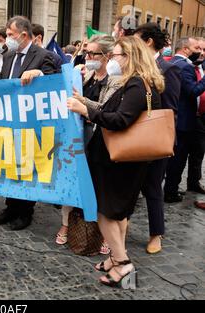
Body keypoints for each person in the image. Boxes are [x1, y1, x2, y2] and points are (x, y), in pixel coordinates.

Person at [67, 36, 165, 288]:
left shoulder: (135, 84)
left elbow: (120, 120)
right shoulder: (135, 83)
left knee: (106, 213)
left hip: (118, 162)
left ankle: (123, 264)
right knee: (117, 213)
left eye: (116, 55)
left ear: (130, 57)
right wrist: (86, 102)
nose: (112, 60)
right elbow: (110, 109)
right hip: (120, 160)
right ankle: (114, 258)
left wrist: (85, 111)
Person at [55, 35, 121, 256]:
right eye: (87, 53)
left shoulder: (116, 80)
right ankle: (66, 223)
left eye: (93, 53)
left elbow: (106, 111)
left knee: (99, 186)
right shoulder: (85, 76)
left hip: (101, 141)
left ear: (107, 56)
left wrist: (83, 106)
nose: (88, 57)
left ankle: (103, 233)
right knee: (72, 182)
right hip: (78, 139)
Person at [0, 16, 57, 231]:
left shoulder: (43, 55)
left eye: (10, 35)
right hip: (9, 121)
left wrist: (39, 73)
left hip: (31, 124)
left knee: (27, 167)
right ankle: (10, 206)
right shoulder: (9, 56)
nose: (7, 39)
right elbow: (5, 83)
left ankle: (25, 211)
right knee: (9, 166)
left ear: (23, 34)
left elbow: (54, 82)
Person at [134, 23, 182, 254]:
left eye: (137, 40)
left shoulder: (168, 68)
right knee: (130, 186)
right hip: (132, 136)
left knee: (152, 188)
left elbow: (170, 109)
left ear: (149, 42)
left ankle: (156, 234)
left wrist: (165, 141)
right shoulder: (134, 66)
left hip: (155, 138)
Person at [164, 37, 205, 203]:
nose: (200, 52)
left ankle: (171, 189)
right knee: (178, 159)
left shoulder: (172, 62)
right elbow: (192, 91)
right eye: (197, 48)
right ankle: (170, 191)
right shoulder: (185, 67)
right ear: (186, 49)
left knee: (175, 158)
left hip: (176, 118)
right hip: (183, 121)